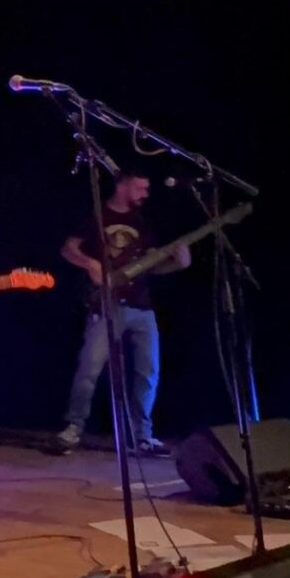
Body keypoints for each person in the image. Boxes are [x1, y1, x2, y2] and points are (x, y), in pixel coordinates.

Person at [56, 168, 190, 455]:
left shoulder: (143, 222)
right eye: (141, 188)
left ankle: (143, 436)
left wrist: (178, 264)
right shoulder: (97, 214)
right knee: (89, 368)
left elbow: (152, 267)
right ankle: (73, 428)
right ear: (123, 185)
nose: (146, 194)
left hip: (142, 306)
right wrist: (90, 264)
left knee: (148, 373)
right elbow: (67, 249)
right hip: (106, 304)